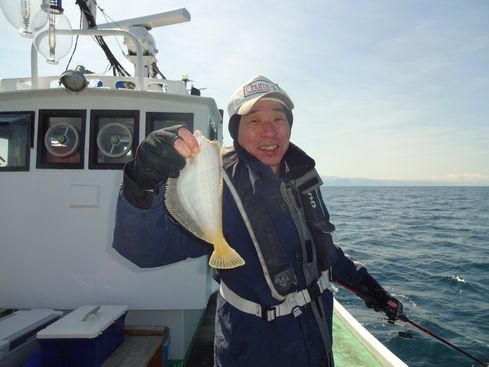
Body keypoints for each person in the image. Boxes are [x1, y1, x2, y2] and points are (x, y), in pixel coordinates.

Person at [113, 75, 403, 367]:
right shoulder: (216, 180)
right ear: (237, 130)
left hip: (316, 338)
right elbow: (145, 251)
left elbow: (321, 248)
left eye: (279, 119)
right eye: (254, 121)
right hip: (253, 348)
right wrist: (142, 180)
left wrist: (370, 288)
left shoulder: (301, 177)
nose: (269, 132)